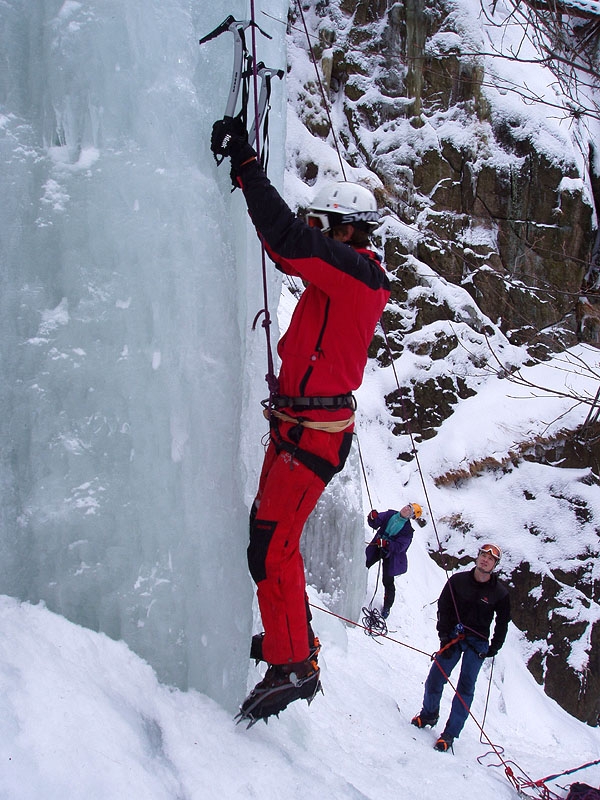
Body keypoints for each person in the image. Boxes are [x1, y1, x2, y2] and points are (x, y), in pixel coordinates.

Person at [210, 118, 391, 723]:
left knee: (271, 546)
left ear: (343, 228)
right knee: (272, 541)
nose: (314, 234)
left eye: (322, 225)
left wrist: (247, 168)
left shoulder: (359, 275)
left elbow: (289, 243)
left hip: (308, 439)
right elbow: (293, 251)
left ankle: (294, 664)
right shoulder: (344, 273)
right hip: (298, 429)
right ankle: (295, 643)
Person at [411, 543, 511, 752]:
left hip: (478, 643)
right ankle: (428, 714)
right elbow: (444, 608)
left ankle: (449, 734)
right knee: (435, 678)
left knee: (465, 688)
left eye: (490, 559)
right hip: (455, 636)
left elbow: (503, 622)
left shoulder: (499, 594)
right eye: (483, 555)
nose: (485, 560)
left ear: (495, 565)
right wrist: (444, 636)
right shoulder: (458, 581)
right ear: (477, 557)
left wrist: (494, 647)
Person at [365, 503, 422, 618]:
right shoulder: (391, 514)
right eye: (407, 506)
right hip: (377, 545)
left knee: (388, 582)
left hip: (391, 556)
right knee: (363, 564)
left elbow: (400, 547)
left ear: (411, 516)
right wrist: (372, 517)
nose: (406, 508)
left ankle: (387, 607)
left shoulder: (407, 531)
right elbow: (376, 523)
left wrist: (387, 544)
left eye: (409, 510)